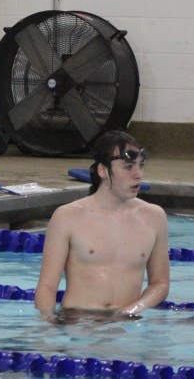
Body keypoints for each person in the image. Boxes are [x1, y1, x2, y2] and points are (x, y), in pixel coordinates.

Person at [34, 130, 169, 321]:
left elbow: (160, 283)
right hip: (78, 323)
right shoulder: (67, 217)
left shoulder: (154, 217)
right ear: (103, 170)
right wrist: (47, 324)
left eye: (141, 166)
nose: (138, 175)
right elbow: (47, 287)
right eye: (128, 167)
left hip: (126, 326)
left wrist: (133, 309)